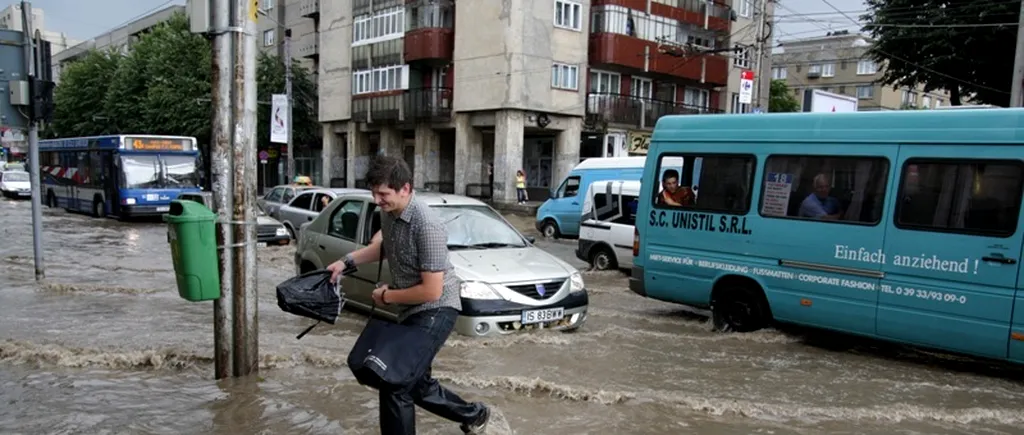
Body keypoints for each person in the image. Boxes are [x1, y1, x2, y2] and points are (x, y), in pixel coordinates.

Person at [327, 155, 490, 435]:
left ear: (405, 188)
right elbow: (384, 248)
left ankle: (474, 415)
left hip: (437, 308)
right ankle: (474, 414)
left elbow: (432, 290)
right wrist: (346, 262)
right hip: (411, 308)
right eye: (374, 193)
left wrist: (387, 296)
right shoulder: (388, 214)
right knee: (416, 382)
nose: (377, 200)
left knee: (394, 382)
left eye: (383, 194)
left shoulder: (427, 225)